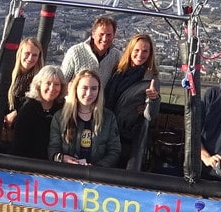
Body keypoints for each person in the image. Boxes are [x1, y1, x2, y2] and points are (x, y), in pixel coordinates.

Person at [104, 34, 160, 166]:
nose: (140, 55)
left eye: (145, 51)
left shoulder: (151, 79)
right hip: (105, 127)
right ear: (130, 50)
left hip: (125, 134)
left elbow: (150, 114)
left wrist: (153, 99)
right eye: (137, 50)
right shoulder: (118, 70)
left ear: (150, 54)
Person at [49, 69, 122, 168]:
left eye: (94, 88)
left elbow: (114, 150)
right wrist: (62, 158)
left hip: (97, 177)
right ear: (76, 89)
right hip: (67, 174)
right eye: (84, 88)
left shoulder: (109, 117)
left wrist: (97, 167)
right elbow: (53, 149)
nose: (89, 93)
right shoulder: (60, 117)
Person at [8, 65, 66, 159]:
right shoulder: (28, 109)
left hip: (56, 164)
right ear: (39, 85)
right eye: (48, 83)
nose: (52, 88)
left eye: (57, 84)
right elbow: (19, 145)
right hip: (31, 163)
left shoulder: (63, 108)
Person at [61, 16, 122, 83]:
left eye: (109, 35)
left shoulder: (116, 56)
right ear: (93, 34)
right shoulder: (75, 52)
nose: (104, 39)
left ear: (114, 36)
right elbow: (62, 81)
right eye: (101, 34)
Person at [4, 37, 43, 127]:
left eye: (34, 55)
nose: (30, 58)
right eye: (27, 53)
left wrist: (16, 113)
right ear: (20, 53)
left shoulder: (40, 78)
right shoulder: (7, 74)